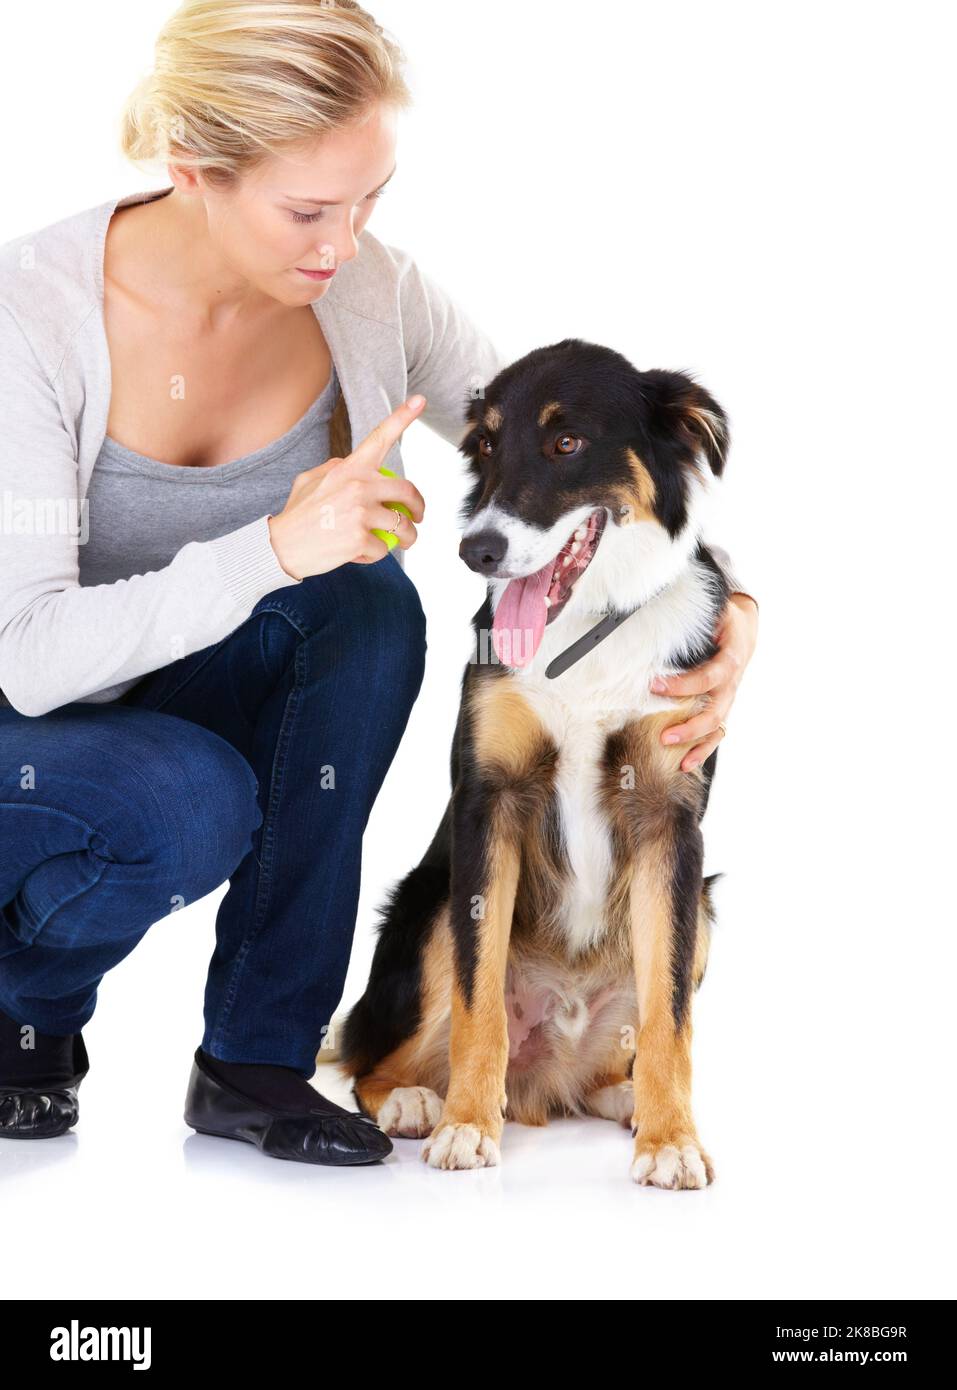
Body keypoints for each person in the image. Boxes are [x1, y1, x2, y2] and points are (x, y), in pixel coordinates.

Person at [0, 0, 758, 1164]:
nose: (343, 243)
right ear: (192, 169)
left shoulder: (370, 295)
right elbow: (32, 655)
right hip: (32, 718)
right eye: (308, 209)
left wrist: (722, 609)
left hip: (179, 699)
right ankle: (27, 1003)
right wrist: (272, 548)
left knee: (364, 606)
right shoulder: (33, 313)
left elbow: (567, 459)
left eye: (369, 201)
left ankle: (255, 1057)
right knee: (188, 794)